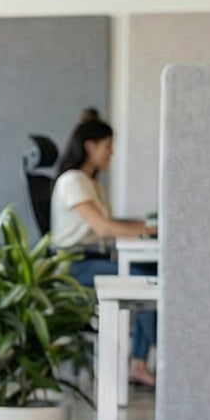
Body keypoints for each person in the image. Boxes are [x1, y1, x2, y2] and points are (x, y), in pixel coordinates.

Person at [49, 114, 159, 388]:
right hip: (74, 265)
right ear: (90, 146)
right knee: (149, 281)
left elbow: (112, 224)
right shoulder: (72, 181)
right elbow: (103, 229)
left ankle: (139, 362)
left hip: (91, 259)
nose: (111, 152)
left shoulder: (92, 183)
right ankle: (145, 360)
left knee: (152, 272)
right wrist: (148, 231)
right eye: (107, 145)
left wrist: (150, 225)